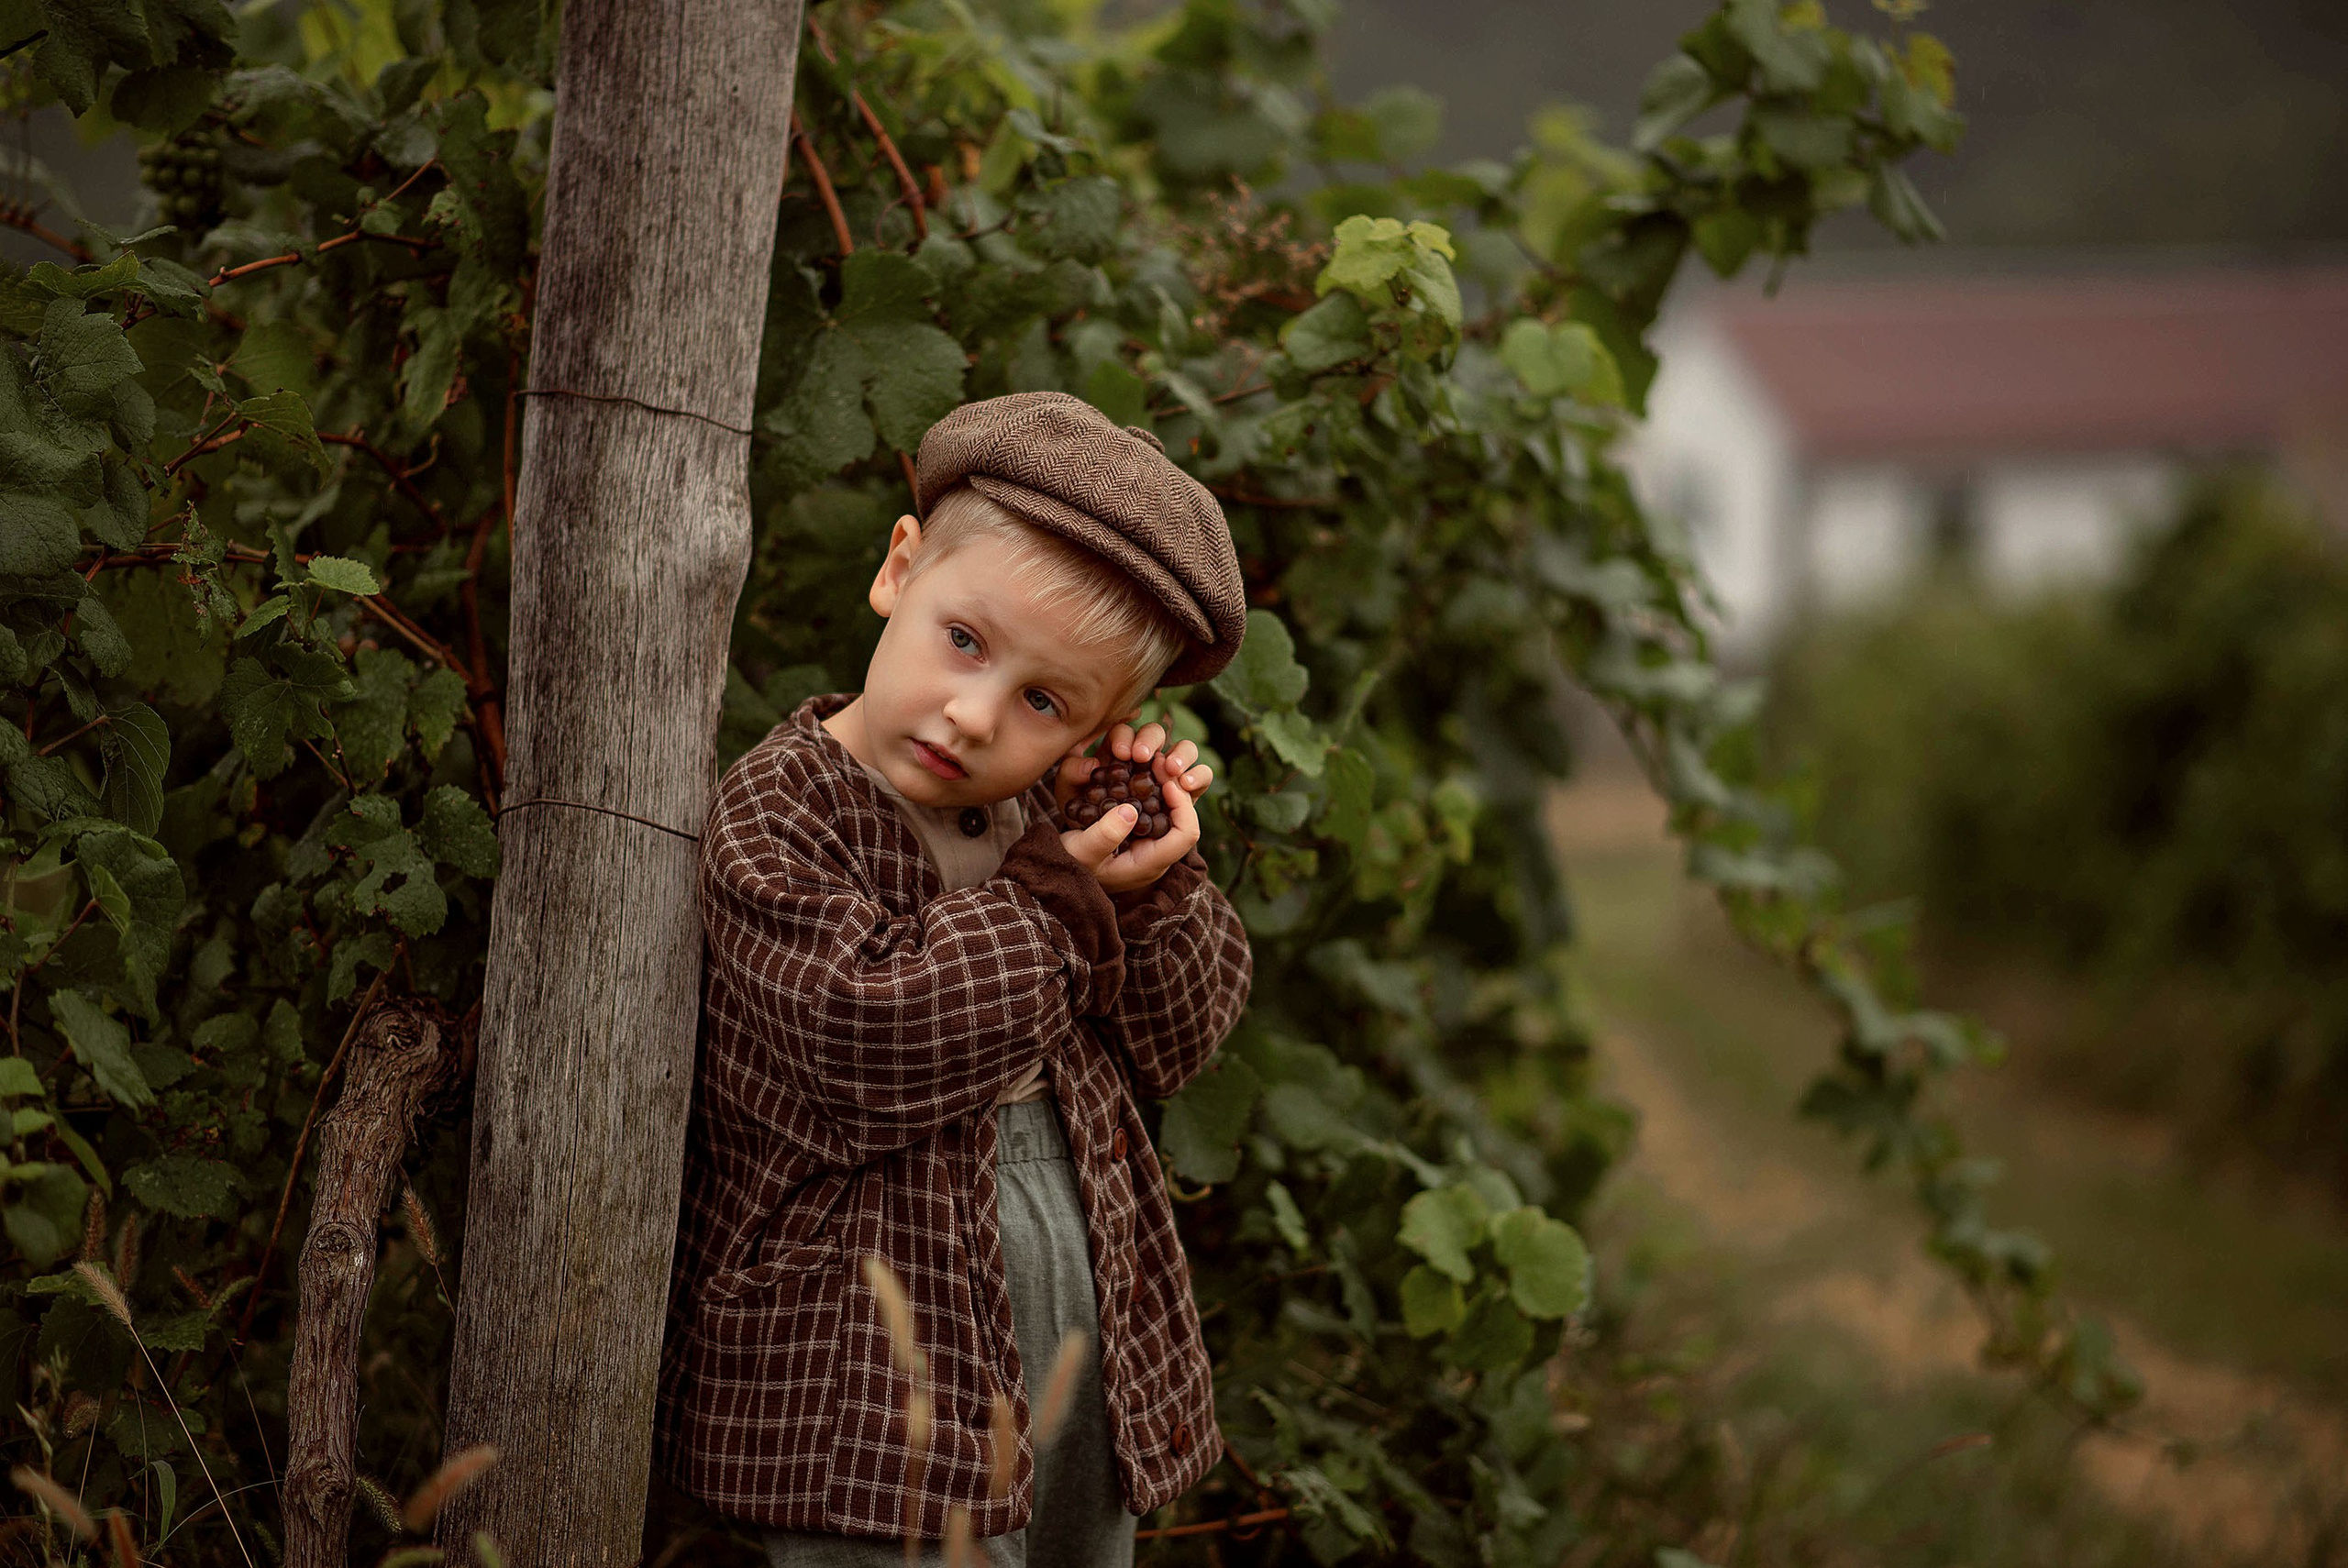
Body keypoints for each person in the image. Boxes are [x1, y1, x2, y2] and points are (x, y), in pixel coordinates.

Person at [657, 392, 1256, 1568]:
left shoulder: (1043, 822)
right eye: (964, 641)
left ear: (1100, 725)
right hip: (868, 1337)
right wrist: (1054, 902)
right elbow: (862, 1041)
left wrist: (1145, 888)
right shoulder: (781, 814)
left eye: (1044, 702)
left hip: (1077, 1283)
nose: (974, 716)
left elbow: (1178, 1043)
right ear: (899, 569)